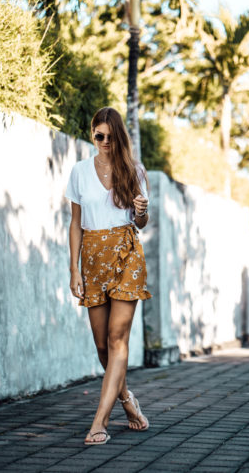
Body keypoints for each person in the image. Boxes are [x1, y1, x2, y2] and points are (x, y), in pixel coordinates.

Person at [65, 107, 152, 445]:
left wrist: (142, 213)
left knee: (118, 338)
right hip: (92, 256)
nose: (103, 142)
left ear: (118, 137)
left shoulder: (134, 171)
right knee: (102, 346)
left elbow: (141, 221)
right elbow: (75, 223)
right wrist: (74, 268)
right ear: (92, 134)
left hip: (126, 251)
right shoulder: (79, 172)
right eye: (97, 135)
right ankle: (127, 399)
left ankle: (99, 422)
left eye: (109, 136)